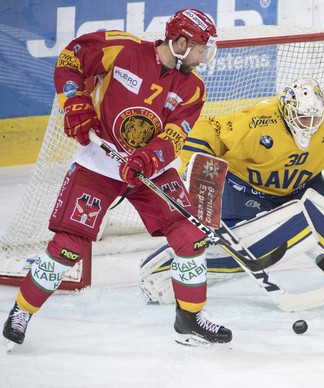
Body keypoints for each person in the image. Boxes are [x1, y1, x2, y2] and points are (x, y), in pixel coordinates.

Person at [2, 9, 232, 348]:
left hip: (150, 169)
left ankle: (189, 318)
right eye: (200, 48)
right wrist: (75, 102)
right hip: (99, 163)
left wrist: (147, 159)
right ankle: (22, 311)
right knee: (68, 247)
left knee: (191, 236)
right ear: (180, 42)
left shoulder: (193, 88)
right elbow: (71, 58)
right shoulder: (123, 50)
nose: (204, 56)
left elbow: (173, 135)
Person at [140, 76, 324, 304]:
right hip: (245, 190)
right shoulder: (257, 121)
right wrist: (196, 165)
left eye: (314, 118)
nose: (309, 124)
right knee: (230, 249)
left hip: (301, 187)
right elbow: (208, 129)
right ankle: (162, 272)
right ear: (286, 111)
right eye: (302, 118)